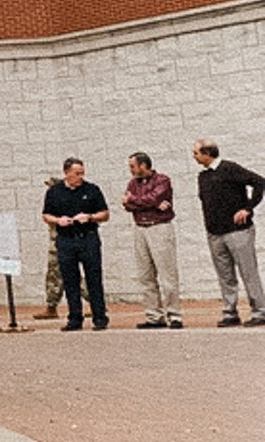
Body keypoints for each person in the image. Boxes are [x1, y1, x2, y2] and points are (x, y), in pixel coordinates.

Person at [192, 139, 265, 327]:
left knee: (248, 271)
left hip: (238, 231)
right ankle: (230, 312)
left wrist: (247, 209)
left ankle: (260, 311)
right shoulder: (203, 176)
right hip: (215, 233)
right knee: (225, 275)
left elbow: (259, 182)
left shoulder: (229, 168)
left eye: (196, 153)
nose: (194, 156)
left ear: (207, 153)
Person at [42, 157, 110, 331]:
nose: (80, 177)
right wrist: (58, 220)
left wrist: (90, 217)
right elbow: (46, 215)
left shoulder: (92, 190)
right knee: (70, 279)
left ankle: (100, 317)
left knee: (94, 278)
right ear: (66, 173)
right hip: (65, 238)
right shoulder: (54, 192)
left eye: (82, 173)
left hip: (87, 236)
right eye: (76, 173)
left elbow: (105, 213)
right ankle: (74, 318)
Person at [122, 152, 183, 329]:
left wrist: (135, 199)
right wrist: (151, 203)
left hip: (159, 227)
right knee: (145, 274)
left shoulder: (162, 180)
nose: (130, 170)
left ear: (143, 165)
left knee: (167, 273)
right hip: (140, 227)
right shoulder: (132, 183)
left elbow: (153, 197)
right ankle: (154, 316)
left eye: (133, 166)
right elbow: (126, 205)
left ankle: (174, 315)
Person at [31, 176, 65, 321]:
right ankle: (51, 306)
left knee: (55, 274)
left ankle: (51, 307)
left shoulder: (59, 201)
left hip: (58, 241)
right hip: (56, 240)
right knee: (60, 274)